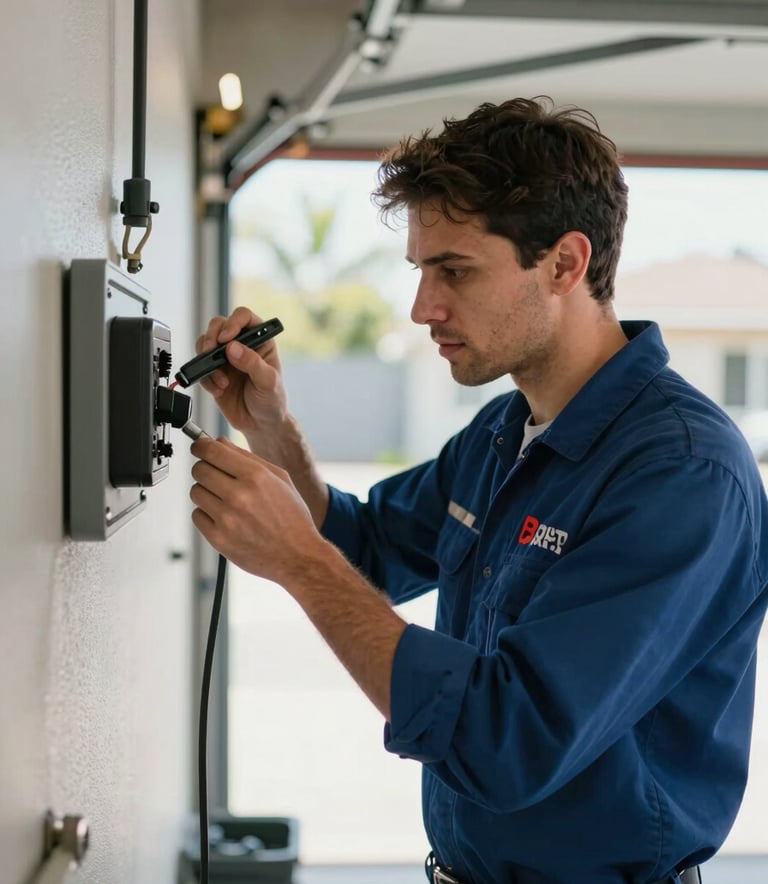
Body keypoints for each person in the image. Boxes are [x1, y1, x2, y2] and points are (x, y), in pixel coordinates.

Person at [188, 97, 768, 884]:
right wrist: (272, 428)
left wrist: (297, 562)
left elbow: (509, 739)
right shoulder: (504, 431)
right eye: (423, 271)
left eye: (454, 271)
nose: (424, 308)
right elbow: (370, 548)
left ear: (565, 263)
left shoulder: (683, 474)